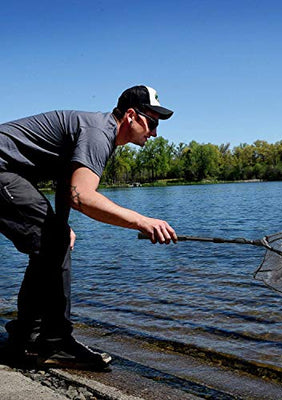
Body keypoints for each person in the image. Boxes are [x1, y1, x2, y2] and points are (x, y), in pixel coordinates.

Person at [0, 85, 177, 370]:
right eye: (152, 123)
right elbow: (82, 196)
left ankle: (27, 336)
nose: (155, 133)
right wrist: (143, 220)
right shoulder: (99, 132)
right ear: (131, 115)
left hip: (7, 171)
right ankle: (55, 343)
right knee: (54, 242)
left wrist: (62, 223)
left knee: (52, 242)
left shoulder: (97, 131)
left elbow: (66, 185)